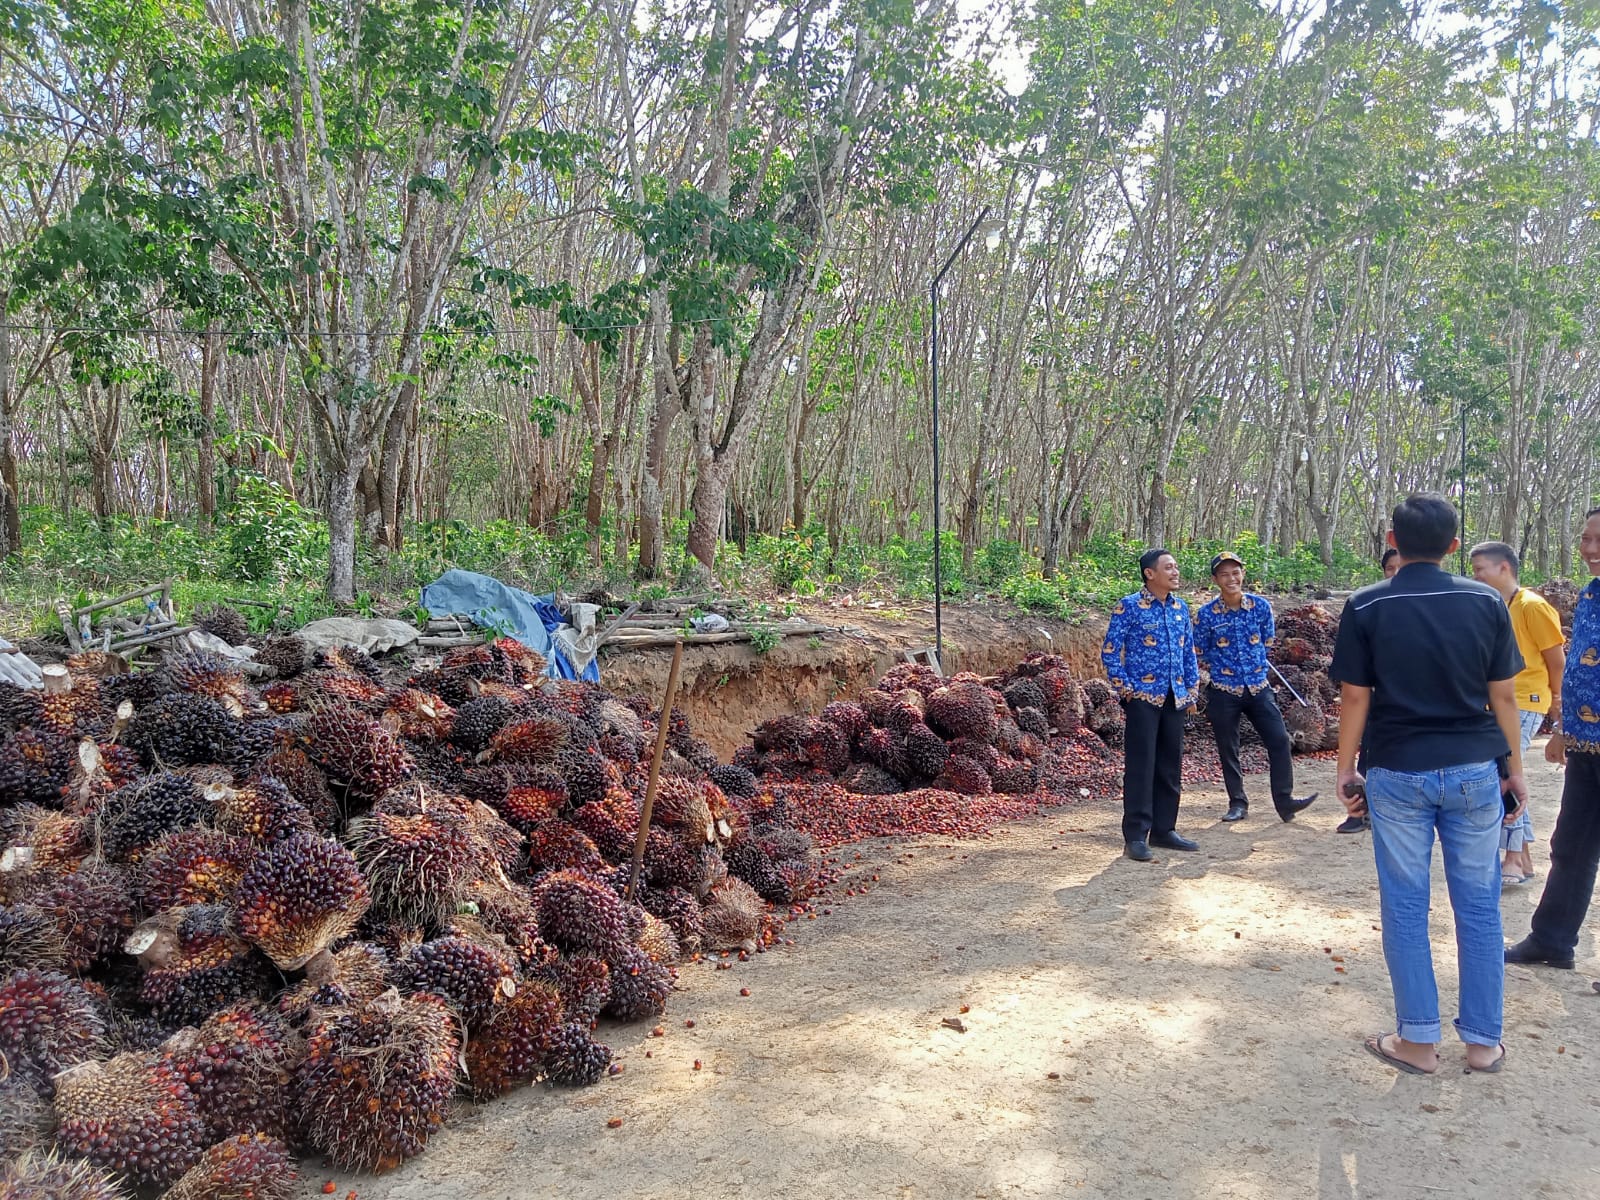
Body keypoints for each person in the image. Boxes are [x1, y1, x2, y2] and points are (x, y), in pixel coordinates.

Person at [1332, 493, 1527, 1075]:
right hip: (1473, 770)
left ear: (1392, 540)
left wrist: (1347, 768)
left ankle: (1418, 1041)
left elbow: (1354, 696)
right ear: (1453, 546)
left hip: (1396, 772)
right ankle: (1483, 1042)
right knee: (1479, 906)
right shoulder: (1486, 603)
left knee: (1406, 905)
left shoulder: (1367, 606)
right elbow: (1504, 695)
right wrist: (1514, 768)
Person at [1506, 506, 1600, 972]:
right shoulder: (1590, 595)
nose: (1590, 549)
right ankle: (1552, 940)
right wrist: (1563, 729)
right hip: (1586, 744)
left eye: (1598, 540)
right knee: (1571, 845)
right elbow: (1578, 669)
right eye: (1586, 538)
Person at [1192, 551, 1317, 822]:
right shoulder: (1206, 614)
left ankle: (1285, 802)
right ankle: (1237, 803)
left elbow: (1267, 641)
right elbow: (1199, 650)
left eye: (1235, 572)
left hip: (1258, 688)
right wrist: (1223, 664)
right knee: (1229, 748)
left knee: (1280, 740)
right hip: (1224, 690)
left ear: (1243, 574)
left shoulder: (1261, 607)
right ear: (1215, 579)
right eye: (1224, 574)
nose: (1231, 578)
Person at [1469, 541, 1564, 886]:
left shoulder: (1532, 607)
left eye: (1481, 568)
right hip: (1496, 700)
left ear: (1504, 568)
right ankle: (1521, 855)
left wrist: (1558, 706)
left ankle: (1511, 856)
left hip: (1526, 699)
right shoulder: (1492, 605)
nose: (1476, 575)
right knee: (1501, 770)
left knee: (1506, 770)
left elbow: (1557, 661)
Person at [1102, 548, 1200, 862]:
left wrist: (1191, 691)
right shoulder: (1128, 607)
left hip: (1175, 697)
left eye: (1176, 566)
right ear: (1149, 573)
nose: (1175, 572)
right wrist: (1125, 687)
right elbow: (1110, 651)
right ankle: (1135, 835)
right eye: (1169, 567)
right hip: (1142, 698)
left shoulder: (1180, 609)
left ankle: (1164, 830)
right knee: (1141, 767)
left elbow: (1189, 655)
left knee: (1170, 766)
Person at [1336, 547, 1400, 834]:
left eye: (1400, 567)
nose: (1395, 574)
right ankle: (1359, 812)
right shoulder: (1369, 605)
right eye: (1390, 569)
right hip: (1375, 694)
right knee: (1367, 752)